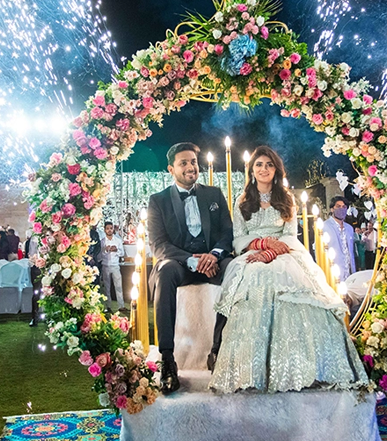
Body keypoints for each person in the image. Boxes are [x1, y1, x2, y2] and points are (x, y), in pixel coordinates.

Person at [210, 146, 366, 393]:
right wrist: (261, 245)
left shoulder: (286, 198)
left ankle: (301, 367)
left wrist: (272, 251)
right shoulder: (242, 201)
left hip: (285, 252)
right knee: (254, 280)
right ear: (252, 169)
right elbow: (238, 237)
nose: (264, 169)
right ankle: (250, 368)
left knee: (298, 286)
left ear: (276, 170)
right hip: (251, 254)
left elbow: (291, 235)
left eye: (269, 165)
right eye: (259, 164)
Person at [147, 142, 234, 394]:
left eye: (193, 162)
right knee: (164, 272)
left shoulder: (214, 194)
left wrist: (215, 255)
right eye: (183, 162)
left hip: (212, 261)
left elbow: (228, 233)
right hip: (180, 264)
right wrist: (193, 260)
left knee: (236, 270)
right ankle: (167, 359)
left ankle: (218, 350)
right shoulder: (158, 201)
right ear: (171, 169)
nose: (190, 167)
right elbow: (159, 244)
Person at [322, 196, 355, 281]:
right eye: (338, 206)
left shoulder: (349, 228)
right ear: (332, 209)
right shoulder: (324, 226)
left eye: (344, 207)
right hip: (332, 272)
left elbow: (351, 251)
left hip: (349, 273)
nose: (341, 209)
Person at [100, 221, 125, 312]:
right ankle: (108, 306)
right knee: (107, 287)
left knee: (118, 286)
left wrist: (116, 250)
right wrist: (105, 250)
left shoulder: (118, 240)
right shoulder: (102, 241)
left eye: (111, 228)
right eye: (107, 229)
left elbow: (122, 253)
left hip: (115, 265)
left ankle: (121, 306)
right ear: (105, 230)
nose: (109, 230)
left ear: (113, 229)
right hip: (105, 266)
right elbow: (100, 255)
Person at [25, 230, 41, 327]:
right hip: (36, 268)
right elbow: (30, 255)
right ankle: (34, 317)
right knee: (36, 293)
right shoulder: (34, 239)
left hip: (48, 267)